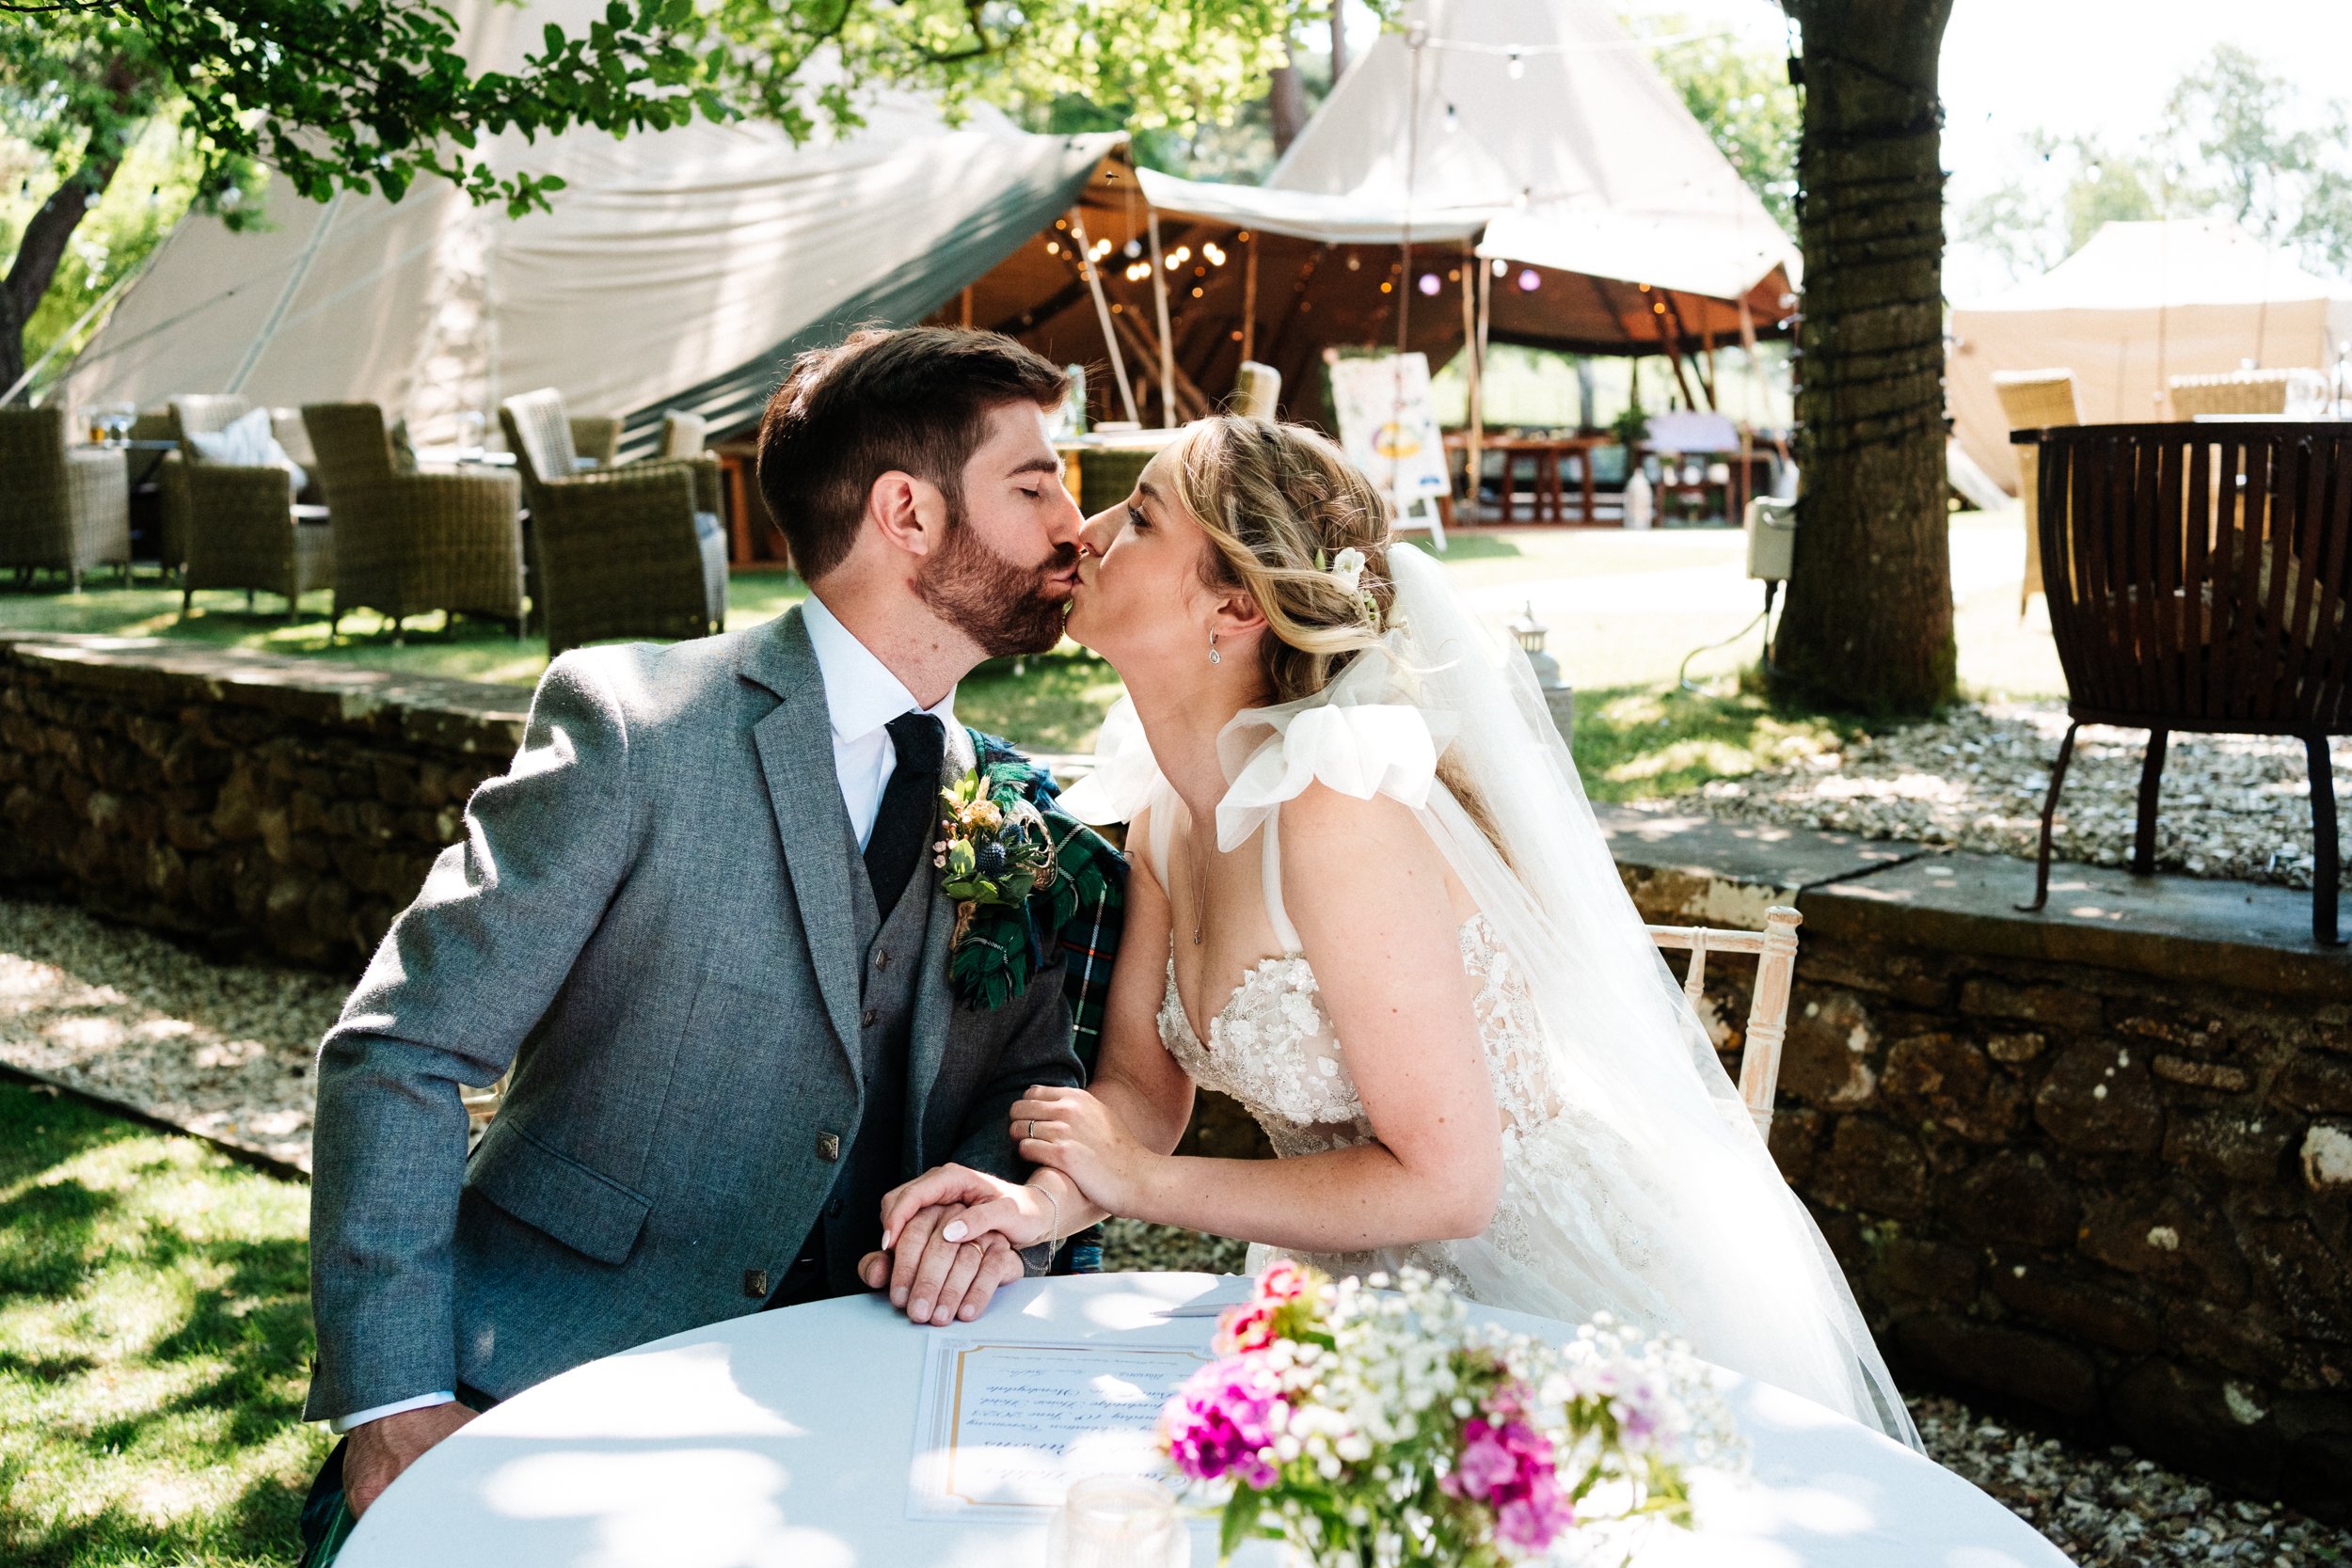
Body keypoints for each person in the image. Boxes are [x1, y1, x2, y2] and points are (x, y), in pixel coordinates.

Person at [885, 415, 1922, 1448]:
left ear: (1236, 602)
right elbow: (1142, 1093)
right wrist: (1042, 1208)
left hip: (1538, 1295)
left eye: (1141, 514)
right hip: (1352, 1289)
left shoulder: (1336, 808)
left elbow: (1451, 1184)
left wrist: (1148, 1187)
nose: (1089, 528)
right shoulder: (1166, 805)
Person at [297, 326, 1110, 1562]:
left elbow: (1023, 1079)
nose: (1077, 522)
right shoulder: (638, 725)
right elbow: (397, 1050)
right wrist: (394, 1399)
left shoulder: (1013, 800)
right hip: (550, 1381)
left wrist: (993, 1202)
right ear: (908, 511)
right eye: (1036, 480)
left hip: (859, 1408)